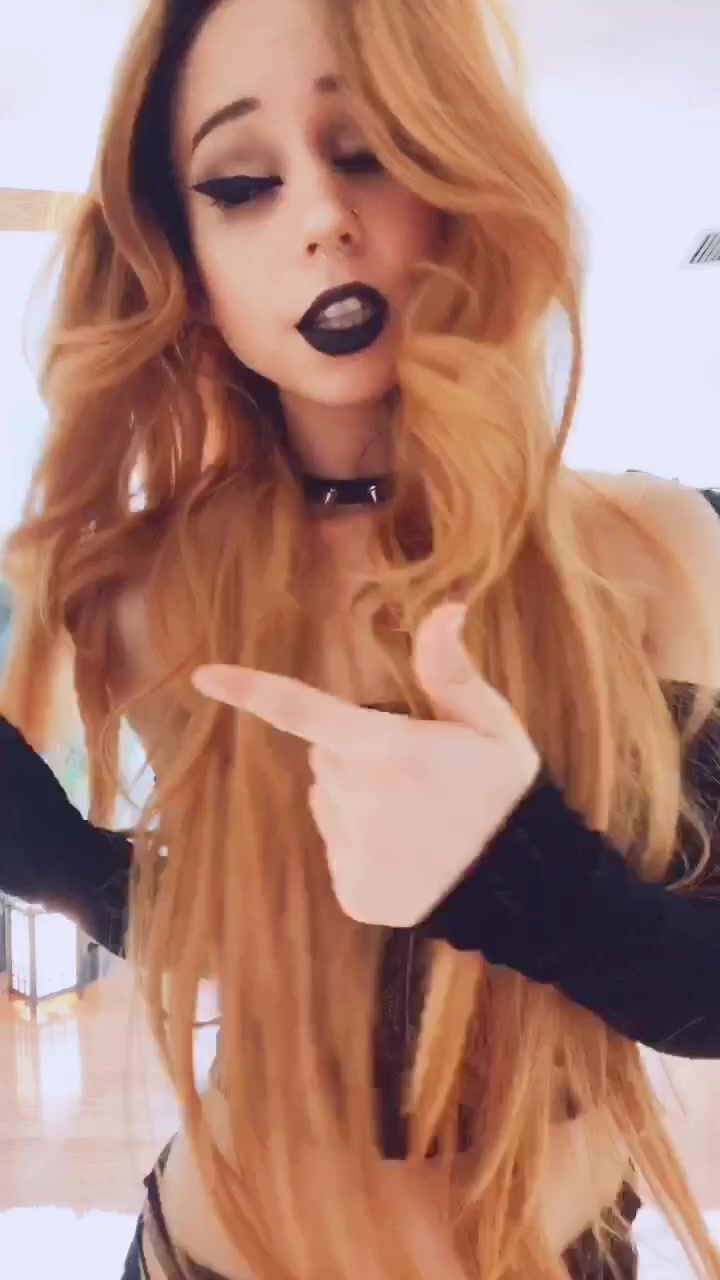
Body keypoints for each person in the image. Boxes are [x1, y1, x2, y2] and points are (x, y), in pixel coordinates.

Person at [1, 0, 720, 1276]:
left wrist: (536, 881)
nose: (322, 219)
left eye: (371, 152)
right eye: (241, 184)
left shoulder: (650, 550)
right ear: (191, 268)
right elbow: (233, 940)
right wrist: (72, 865)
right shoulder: (138, 588)